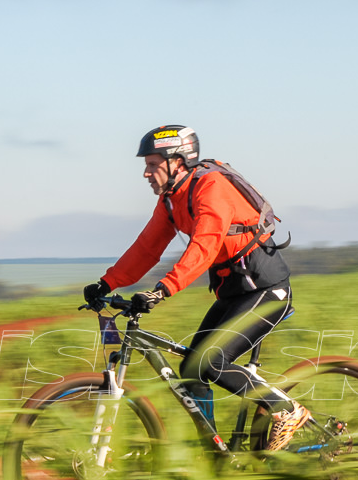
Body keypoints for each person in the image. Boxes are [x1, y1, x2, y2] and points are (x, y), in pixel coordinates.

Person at [82, 125, 309, 451]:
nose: (146, 173)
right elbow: (147, 247)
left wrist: (162, 289)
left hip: (266, 289)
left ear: (176, 161)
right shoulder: (172, 201)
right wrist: (108, 282)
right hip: (233, 293)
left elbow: (204, 246)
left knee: (210, 362)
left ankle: (285, 410)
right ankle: (213, 452)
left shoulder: (210, 187)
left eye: (152, 164)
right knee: (192, 368)